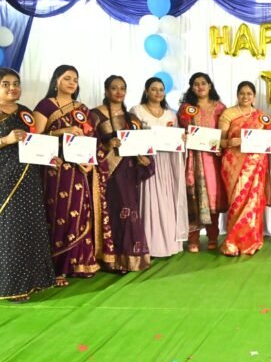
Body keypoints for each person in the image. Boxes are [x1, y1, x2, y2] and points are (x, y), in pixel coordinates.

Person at [34, 65, 107, 284]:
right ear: (56, 80)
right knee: (58, 214)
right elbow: (35, 139)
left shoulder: (82, 109)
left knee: (80, 212)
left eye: (75, 79)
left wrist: (90, 162)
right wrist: (61, 131)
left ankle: (79, 262)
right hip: (55, 169)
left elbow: (92, 139)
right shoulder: (45, 105)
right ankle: (57, 267)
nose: (72, 82)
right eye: (67, 78)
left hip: (80, 169)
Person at [0, 68, 55, 302]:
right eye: (5, 84)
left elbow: (35, 142)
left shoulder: (25, 112)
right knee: (10, 230)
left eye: (16, 83)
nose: (12, 88)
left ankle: (33, 282)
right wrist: (6, 140)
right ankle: (10, 287)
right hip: (5, 180)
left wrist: (51, 156)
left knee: (30, 228)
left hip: (29, 178)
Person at [90, 75, 155, 273]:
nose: (119, 92)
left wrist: (144, 158)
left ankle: (128, 258)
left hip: (127, 173)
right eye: (114, 88)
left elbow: (142, 145)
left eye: (122, 88)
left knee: (128, 214)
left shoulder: (131, 119)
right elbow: (88, 144)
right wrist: (107, 146)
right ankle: (109, 258)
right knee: (109, 213)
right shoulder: (94, 115)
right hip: (106, 173)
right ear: (106, 90)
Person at [131, 77, 188, 257]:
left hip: (167, 162)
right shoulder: (137, 111)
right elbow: (132, 136)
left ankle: (169, 244)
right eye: (153, 89)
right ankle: (150, 244)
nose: (158, 92)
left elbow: (177, 138)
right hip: (147, 162)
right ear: (146, 91)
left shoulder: (170, 114)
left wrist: (182, 139)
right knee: (149, 200)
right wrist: (139, 155)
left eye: (161, 89)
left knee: (167, 200)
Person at [218, 81, 271, 256]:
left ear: (254, 96)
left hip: (256, 165)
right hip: (234, 164)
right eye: (242, 93)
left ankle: (251, 240)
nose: (245, 96)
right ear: (237, 95)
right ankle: (232, 242)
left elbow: (267, 139)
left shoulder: (261, 117)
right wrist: (229, 142)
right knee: (236, 201)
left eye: (249, 93)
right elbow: (219, 141)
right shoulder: (228, 114)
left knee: (253, 202)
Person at [177, 72, 227, 252]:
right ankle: (194, 238)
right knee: (193, 197)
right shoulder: (186, 108)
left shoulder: (220, 107)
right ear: (191, 88)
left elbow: (224, 132)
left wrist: (222, 145)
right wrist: (182, 136)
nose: (200, 87)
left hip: (213, 160)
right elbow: (179, 130)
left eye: (203, 83)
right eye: (196, 84)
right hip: (193, 159)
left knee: (213, 197)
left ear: (210, 85)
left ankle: (213, 236)